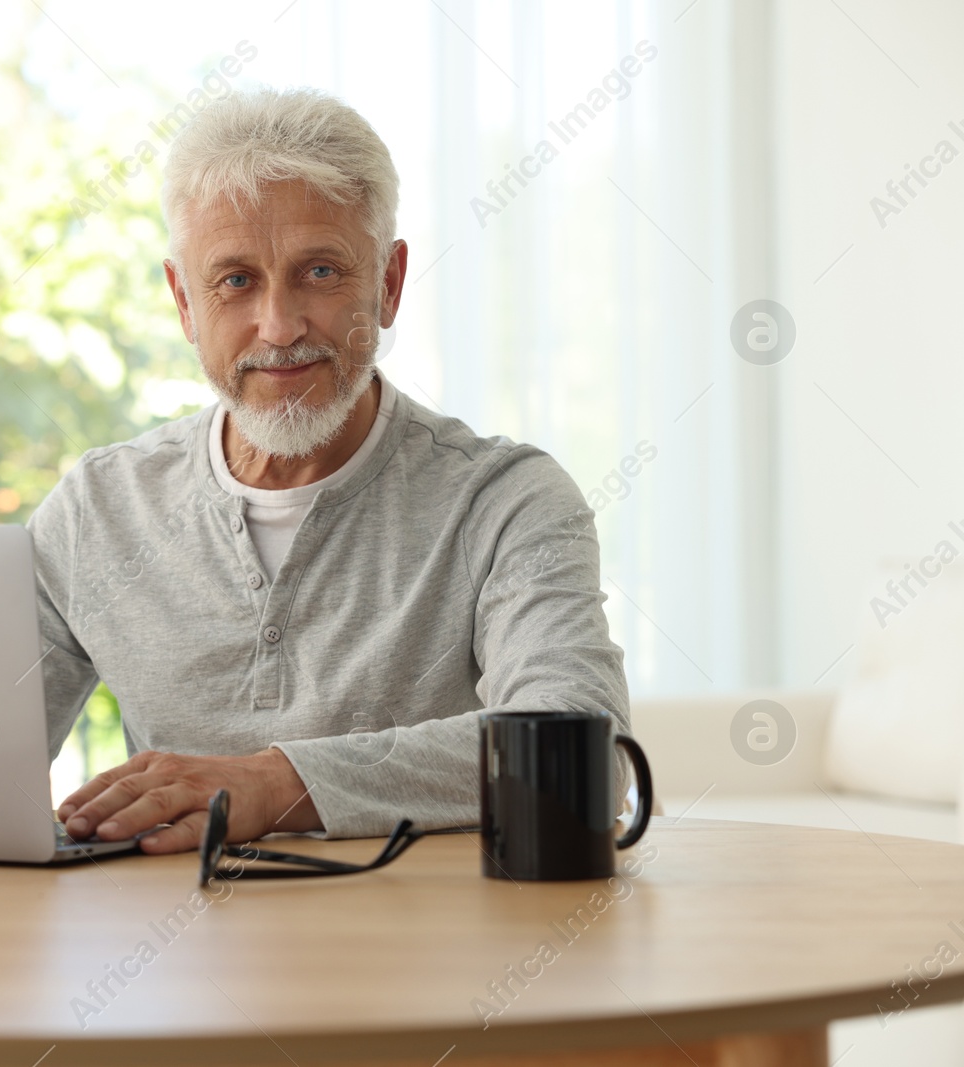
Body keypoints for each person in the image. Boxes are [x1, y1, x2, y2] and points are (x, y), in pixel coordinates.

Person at [31, 87, 629, 854]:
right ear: (184, 302)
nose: (279, 327)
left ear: (387, 283)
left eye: (319, 271)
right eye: (235, 281)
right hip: (175, 955)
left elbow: (582, 755)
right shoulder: (96, 509)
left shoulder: (507, 501)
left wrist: (275, 784)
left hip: (436, 961)